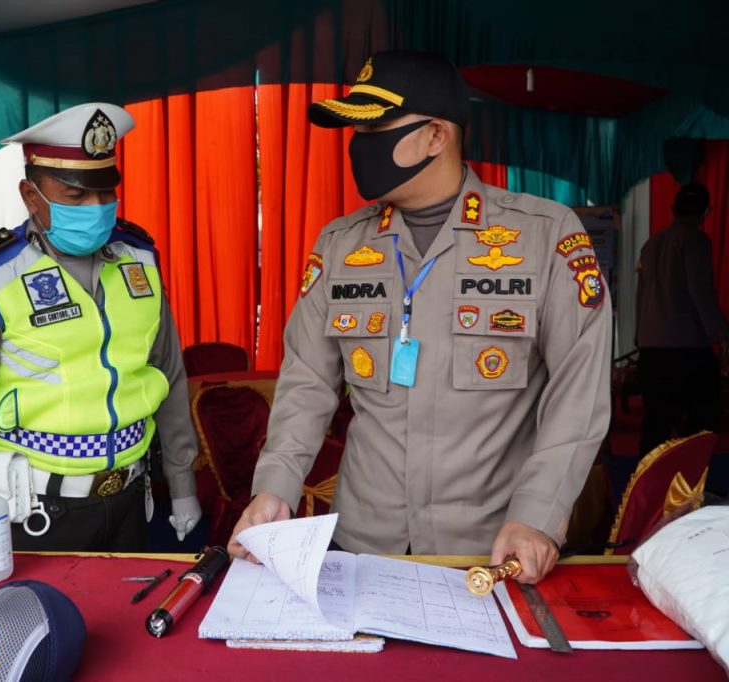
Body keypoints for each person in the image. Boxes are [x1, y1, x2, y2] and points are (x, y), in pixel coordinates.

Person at [229, 51, 612, 583]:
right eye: (356, 130)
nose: (359, 145)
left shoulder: (543, 235)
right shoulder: (341, 244)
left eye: (375, 129)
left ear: (436, 136)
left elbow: (578, 394)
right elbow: (307, 383)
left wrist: (537, 515)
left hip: (487, 551)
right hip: (362, 545)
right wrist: (275, 489)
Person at [0, 103, 201, 552]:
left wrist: (182, 480)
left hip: (130, 501)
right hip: (35, 512)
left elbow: (168, 375)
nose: (97, 207)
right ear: (31, 195)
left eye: (106, 192)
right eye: (76, 196)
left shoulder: (139, 259)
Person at [635, 182, 727, 458]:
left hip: (651, 346)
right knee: (705, 415)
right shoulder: (696, 241)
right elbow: (701, 292)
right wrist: (721, 334)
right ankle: (687, 470)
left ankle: (647, 479)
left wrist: (640, 336)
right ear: (705, 211)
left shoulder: (651, 244)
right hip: (687, 346)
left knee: (655, 423)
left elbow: (641, 295)